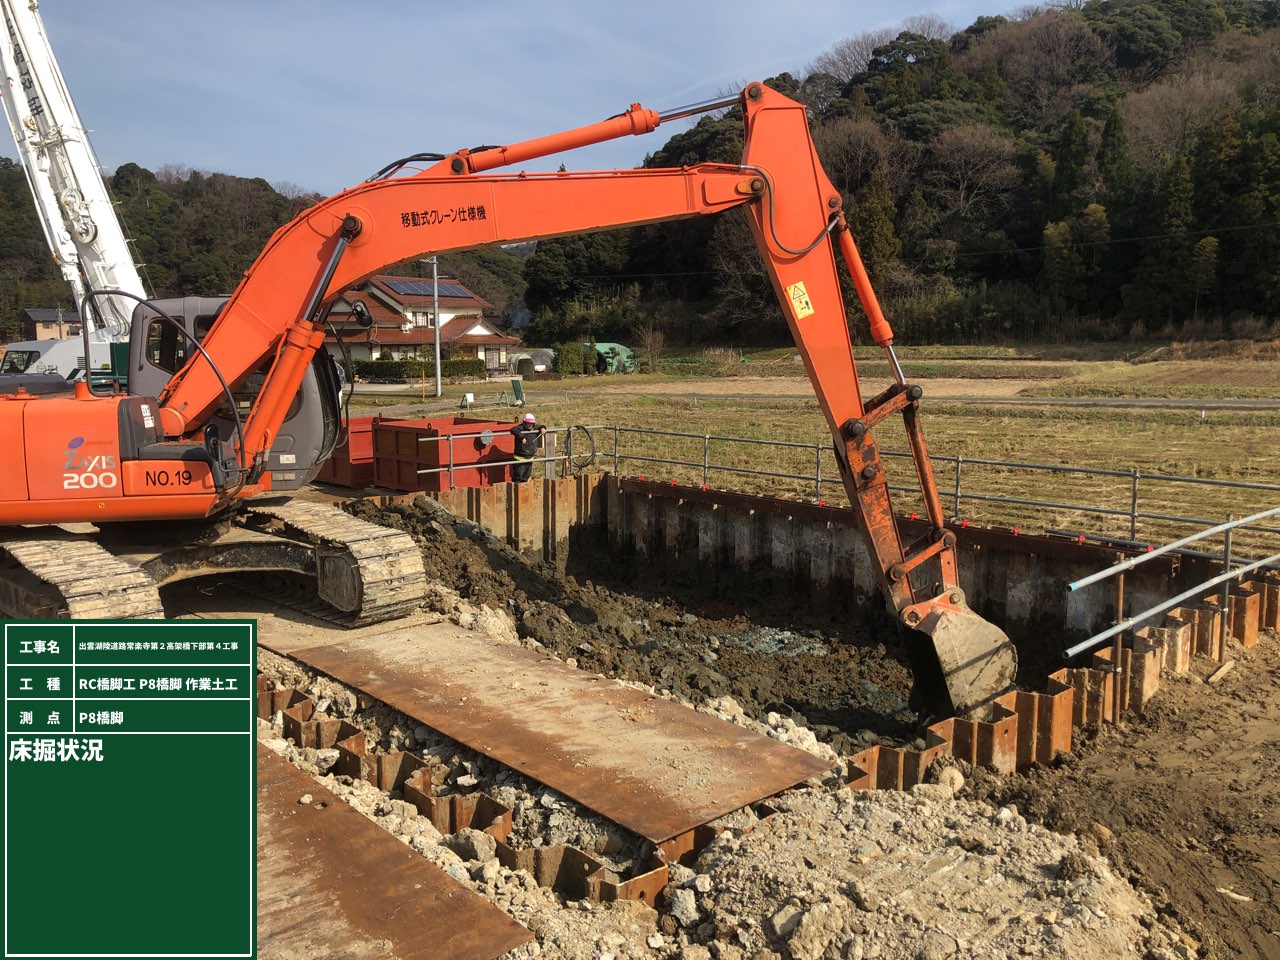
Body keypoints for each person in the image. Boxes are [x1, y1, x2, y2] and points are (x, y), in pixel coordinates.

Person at [511, 412, 545, 483]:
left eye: (531, 424)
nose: (530, 425)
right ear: (524, 423)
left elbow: (541, 426)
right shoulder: (521, 428)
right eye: (528, 423)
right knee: (518, 477)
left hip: (529, 458)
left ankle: (524, 492)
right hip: (520, 459)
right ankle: (516, 491)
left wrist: (543, 428)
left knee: (526, 477)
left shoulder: (535, 428)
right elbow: (513, 429)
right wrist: (521, 437)